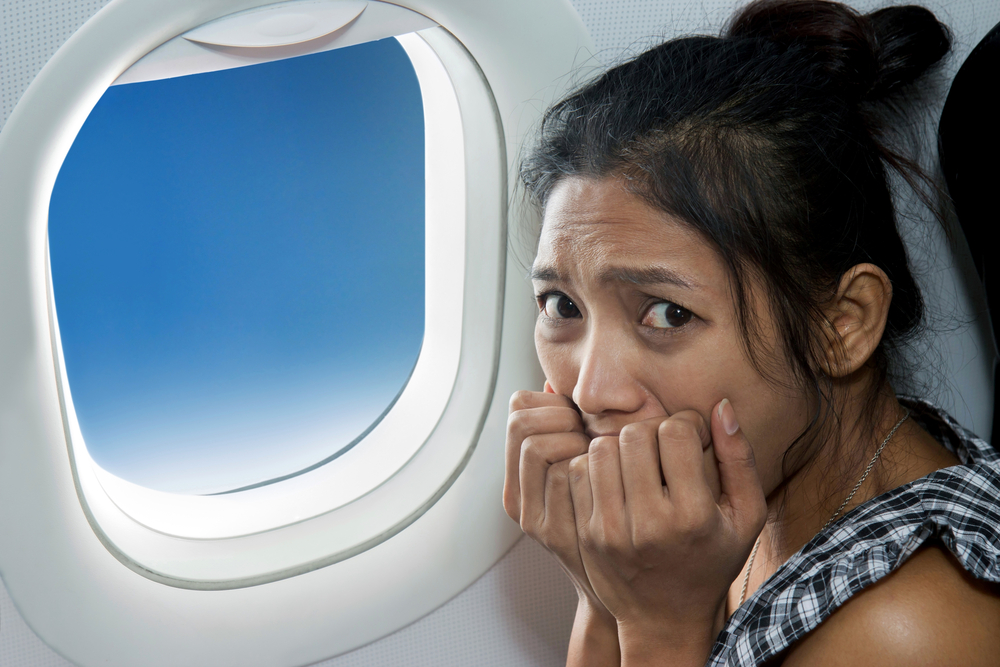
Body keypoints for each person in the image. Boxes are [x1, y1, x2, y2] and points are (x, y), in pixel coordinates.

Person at [502, 0, 1000, 664]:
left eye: (667, 313)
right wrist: (603, 593)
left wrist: (661, 625)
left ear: (841, 324)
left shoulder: (907, 631)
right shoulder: (725, 506)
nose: (591, 391)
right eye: (562, 304)